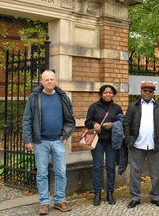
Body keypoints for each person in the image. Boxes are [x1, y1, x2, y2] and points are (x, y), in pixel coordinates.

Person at [23, 69, 75, 215]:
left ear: (55, 80)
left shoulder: (62, 97)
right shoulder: (35, 97)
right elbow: (27, 119)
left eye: (51, 79)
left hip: (58, 141)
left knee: (61, 172)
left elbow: (70, 118)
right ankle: (44, 202)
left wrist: (65, 135)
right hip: (40, 142)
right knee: (42, 173)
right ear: (42, 82)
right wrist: (28, 139)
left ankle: (59, 200)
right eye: (46, 80)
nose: (49, 82)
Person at [123, 82, 159, 209]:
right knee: (135, 173)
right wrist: (128, 140)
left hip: (155, 146)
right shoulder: (133, 106)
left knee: (156, 173)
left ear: (153, 93)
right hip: (137, 145)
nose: (147, 93)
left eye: (150, 91)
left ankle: (155, 197)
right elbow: (126, 123)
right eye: (145, 91)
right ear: (141, 92)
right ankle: (135, 198)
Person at [85, 84, 124, 206]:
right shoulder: (94, 107)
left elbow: (122, 121)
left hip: (112, 141)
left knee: (111, 167)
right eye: (106, 92)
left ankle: (110, 193)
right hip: (98, 141)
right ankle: (97, 193)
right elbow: (88, 121)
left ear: (113, 94)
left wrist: (114, 125)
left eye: (110, 93)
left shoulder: (116, 108)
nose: (108, 94)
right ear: (101, 94)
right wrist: (94, 124)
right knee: (97, 167)